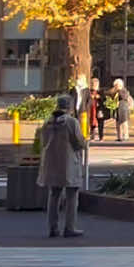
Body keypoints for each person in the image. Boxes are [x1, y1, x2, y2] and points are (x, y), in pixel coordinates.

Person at [38, 93, 87, 239]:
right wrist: (84, 143)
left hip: (51, 161)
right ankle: (70, 227)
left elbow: (43, 142)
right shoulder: (71, 122)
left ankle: (53, 227)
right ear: (70, 107)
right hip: (69, 161)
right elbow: (79, 142)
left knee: (54, 194)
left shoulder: (48, 122)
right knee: (72, 195)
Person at [88, 76, 107, 142]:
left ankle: (101, 137)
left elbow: (104, 100)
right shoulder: (89, 92)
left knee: (100, 123)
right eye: (93, 83)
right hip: (92, 109)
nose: (94, 85)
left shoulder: (101, 91)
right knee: (92, 123)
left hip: (99, 109)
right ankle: (92, 136)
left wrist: (99, 97)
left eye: (95, 83)